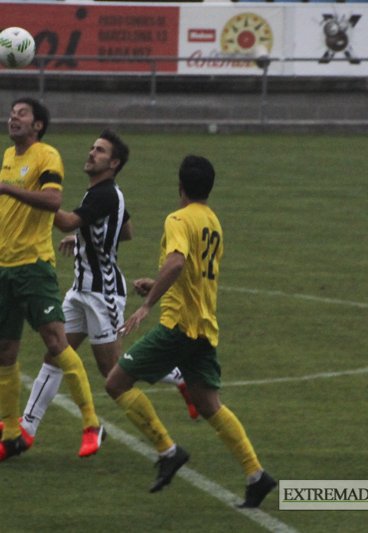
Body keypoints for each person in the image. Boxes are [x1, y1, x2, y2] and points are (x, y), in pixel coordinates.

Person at [0, 129, 199, 453]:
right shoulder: (102, 193)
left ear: (113, 162)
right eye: (91, 147)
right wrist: (86, 239)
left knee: (112, 371)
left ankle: (180, 376)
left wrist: (28, 200)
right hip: (80, 291)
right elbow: (124, 230)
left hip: (103, 295)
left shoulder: (104, 194)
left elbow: (68, 221)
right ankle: (25, 429)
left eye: (99, 151)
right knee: (55, 353)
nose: (90, 153)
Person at [105, 155, 276, 507]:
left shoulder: (178, 219)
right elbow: (194, 272)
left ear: (179, 186)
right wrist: (156, 284)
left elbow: (178, 260)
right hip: (204, 327)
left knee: (116, 382)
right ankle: (256, 475)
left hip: (178, 326)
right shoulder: (212, 221)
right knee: (209, 404)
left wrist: (147, 304)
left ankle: (168, 451)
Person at [0, 97, 103, 463]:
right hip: (2, 267)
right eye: (12, 112)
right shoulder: (9, 157)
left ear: (38, 126)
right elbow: (11, 203)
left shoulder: (46, 155)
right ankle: (13, 436)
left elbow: (51, 201)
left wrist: (6, 189)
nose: (13, 117)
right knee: (3, 352)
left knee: (55, 342)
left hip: (34, 265)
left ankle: (91, 423)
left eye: (22, 114)